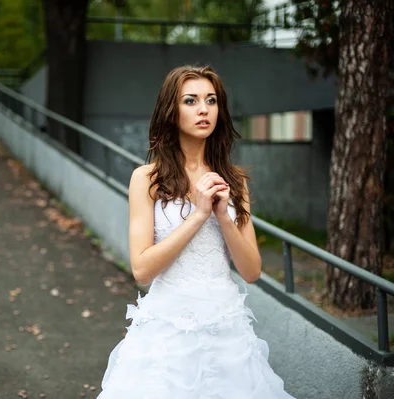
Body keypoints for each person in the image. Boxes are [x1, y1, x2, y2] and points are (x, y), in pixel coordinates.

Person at [96, 65, 295, 398]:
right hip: (168, 331)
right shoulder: (147, 179)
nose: (204, 109)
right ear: (171, 112)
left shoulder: (234, 181)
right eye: (191, 100)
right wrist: (199, 214)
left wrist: (223, 215)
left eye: (211, 100)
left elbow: (251, 271)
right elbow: (142, 270)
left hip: (227, 329)